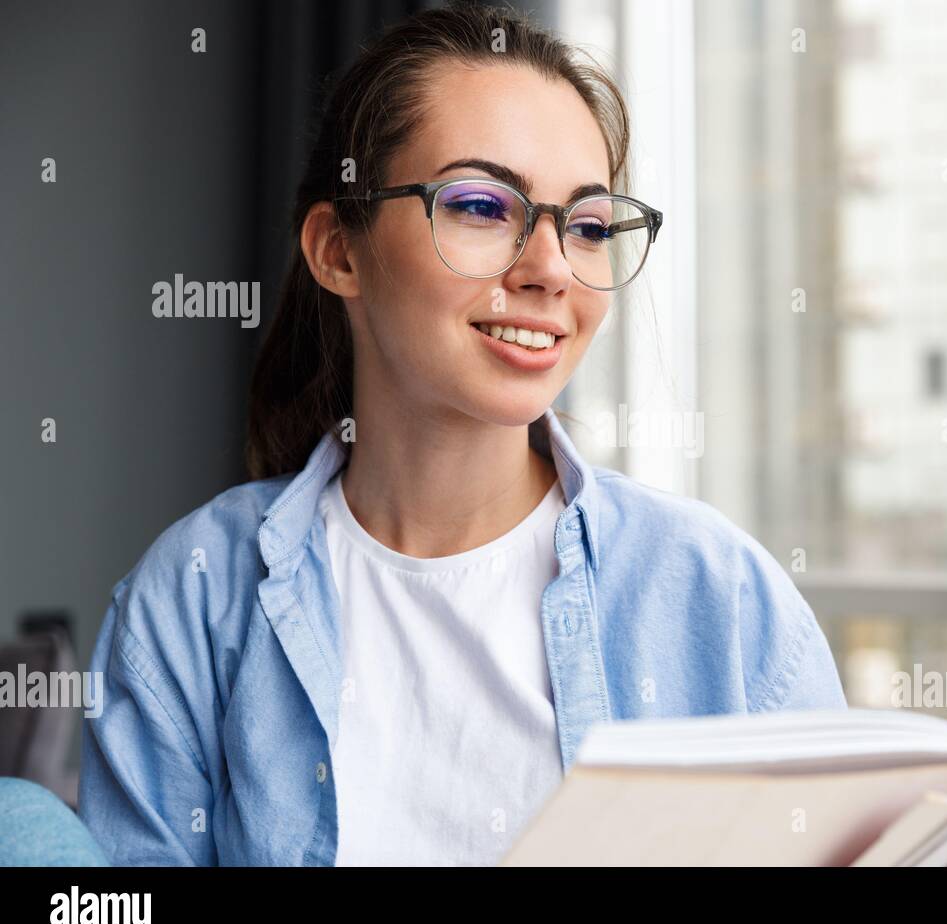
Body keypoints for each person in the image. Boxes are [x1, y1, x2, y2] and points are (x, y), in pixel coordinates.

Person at [73, 0, 846, 867]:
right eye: (482, 206)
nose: (551, 268)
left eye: (588, 225)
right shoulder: (192, 596)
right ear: (339, 251)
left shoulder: (718, 595)